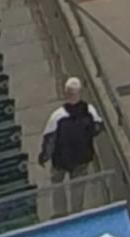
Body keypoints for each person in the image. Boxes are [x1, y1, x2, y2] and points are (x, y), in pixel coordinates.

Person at [39, 77, 103, 211]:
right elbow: (97, 128)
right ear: (80, 92)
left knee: (57, 183)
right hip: (82, 158)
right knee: (78, 187)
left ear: (65, 94)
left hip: (60, 160)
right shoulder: (89, 110)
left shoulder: (57, 116)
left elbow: (49, 139)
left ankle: (60, 212)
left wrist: (44, 157)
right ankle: (77, 212)